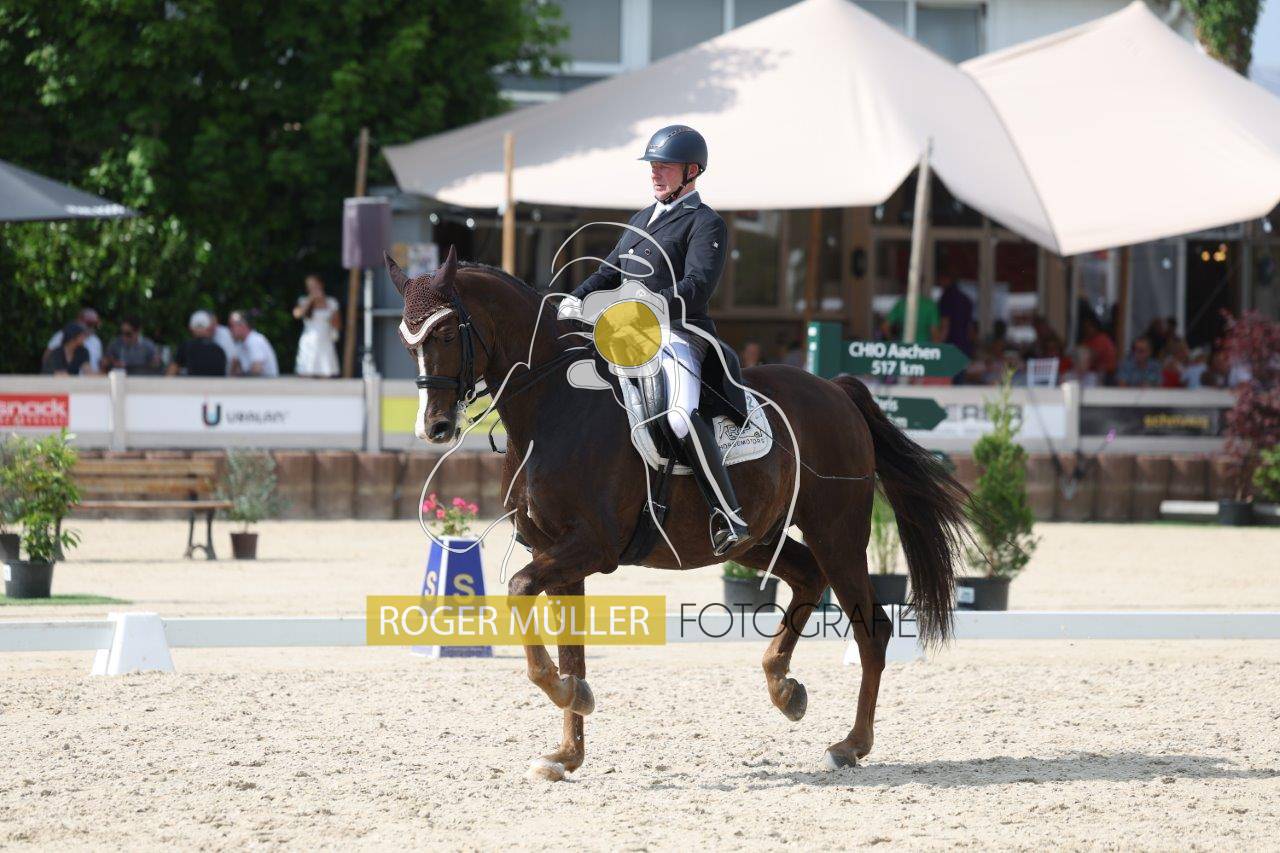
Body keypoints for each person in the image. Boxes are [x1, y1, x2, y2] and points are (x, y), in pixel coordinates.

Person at [558, 124, 747, 555]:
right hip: (626, 333)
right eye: (653, 165)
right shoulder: (642, 219)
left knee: (679, 418)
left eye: (665, 166)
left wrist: (649, 304)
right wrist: (575, 298)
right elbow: (608, 271)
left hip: (677, 333)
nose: (655, 173)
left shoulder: (705, 223)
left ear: (691, 171)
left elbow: (698, 285)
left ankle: (727, 513)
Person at [292, 274, 341, 377]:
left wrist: (324, 303)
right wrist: (310, 301)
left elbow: (337, 323)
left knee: (326, 372)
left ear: (321, 285)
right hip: (309, 339)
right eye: (310, 286)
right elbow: (297, 314)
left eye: (315, 285)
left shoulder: (331, 302)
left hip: (325, 338)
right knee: (306, 371)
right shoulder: (303, 300)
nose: (313, 288)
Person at [168, 311, 229, 377]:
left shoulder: (185, 347)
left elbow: (170, 374)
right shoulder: (219, 350)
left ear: (191, 328)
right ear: (209, 328)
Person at [44, 307, 103, 373]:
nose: (92, 327)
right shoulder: (60, 336)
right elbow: (47, 359)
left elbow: (89, 369)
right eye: (89, 324)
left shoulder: (95, 341)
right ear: (79, 320)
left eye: (95, 324)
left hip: (85, 379)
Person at [228, 310, 279, 377]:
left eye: (232, 326)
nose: (229, 329)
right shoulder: (240, 343)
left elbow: (257, 370)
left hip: (267, 382)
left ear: (243, 326)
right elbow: (234, 370)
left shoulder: (254, 340)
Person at [936, 275, 974, 357]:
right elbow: (970, 326)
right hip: (964, 343)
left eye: (940, 280)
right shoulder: (965, 299)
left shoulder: (946, 297)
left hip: (951, 342)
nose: (939, 282)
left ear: (947, 280)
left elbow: (945, 324)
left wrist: (938, 344)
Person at [1079, 316, 1117, 380]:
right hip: (1092, 372)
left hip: (1107, 373)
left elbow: (1091, 357)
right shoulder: (1087, 340)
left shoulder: (1102, 339)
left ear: (1095, 327)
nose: (1087, 330)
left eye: (1089, 327)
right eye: (1085, 327)